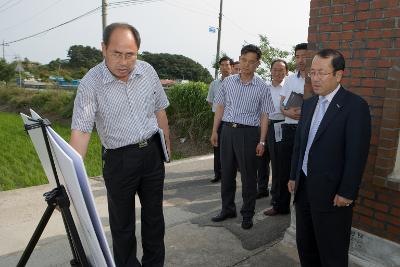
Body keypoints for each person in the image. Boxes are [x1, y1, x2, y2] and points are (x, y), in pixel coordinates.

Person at [70, 23, 170, 267]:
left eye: (130, 55)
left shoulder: (147, 71)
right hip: (119, 160)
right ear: (103, 48)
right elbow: (82, 132)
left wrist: (166, 147)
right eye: (116, 53)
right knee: (122, 225)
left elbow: (160, 110)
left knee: (154, 218)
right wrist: (71, 183)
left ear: (137, 52)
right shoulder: (90, 83)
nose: (124, 62)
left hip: (152, 153)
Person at [288, 49, 371, 267]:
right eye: (312, 72)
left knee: (332, 253)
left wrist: (347, 191)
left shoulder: (355, 106)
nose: (315, 78)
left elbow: (357, 154)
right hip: (304, 189)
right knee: (306, 248)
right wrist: (294, 176)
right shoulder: (309, 103)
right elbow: (300, 145)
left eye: (321, 73)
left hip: (333, 196)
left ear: (338, 75)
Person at [210, 44, 274, 229]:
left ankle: (247, 213)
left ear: (257, 64)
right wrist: (215, 130)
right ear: (240, 59)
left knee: (248, 177)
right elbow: (220, 106)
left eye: (251, 62)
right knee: (227, 173)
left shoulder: (262, 86)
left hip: (249, 133)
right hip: (227, 131)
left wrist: (262, 140)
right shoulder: (228, 82)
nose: (246, 65)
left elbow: (264, 115)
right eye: (244, 60)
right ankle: (227, 208)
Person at [264, 43, 307, 216]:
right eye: (297, 56)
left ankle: (301, 207)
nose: (301, 60)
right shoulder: (290, 80)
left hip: (305, 129)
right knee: (281, 169)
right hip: (288, 127)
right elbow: (282, 103)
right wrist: (286, 110)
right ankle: (280, 206)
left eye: (304, 56)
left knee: (302, 169)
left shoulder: (315, 78)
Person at [257, 59, 288, 201]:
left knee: (277, 162)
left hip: (280, 125)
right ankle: (262, 188)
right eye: (275, 70)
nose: (278, 73)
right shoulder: (265, 87)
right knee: (262, 159)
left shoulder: (288, 88)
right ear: (270, 71)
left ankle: (276, 194)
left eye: (281, 70)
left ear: (286, 72)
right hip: (264, 125)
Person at [207, 56, 233, 183]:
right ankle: (218, 174)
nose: (225, 67)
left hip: (231, 121)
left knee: (229, 149)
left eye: (227, 65)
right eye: (222, 65)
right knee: (217, 148)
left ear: (231, 67)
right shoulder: (214, 84)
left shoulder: (236, 82)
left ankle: (229, 174)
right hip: (218, 120)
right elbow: (210, 101)